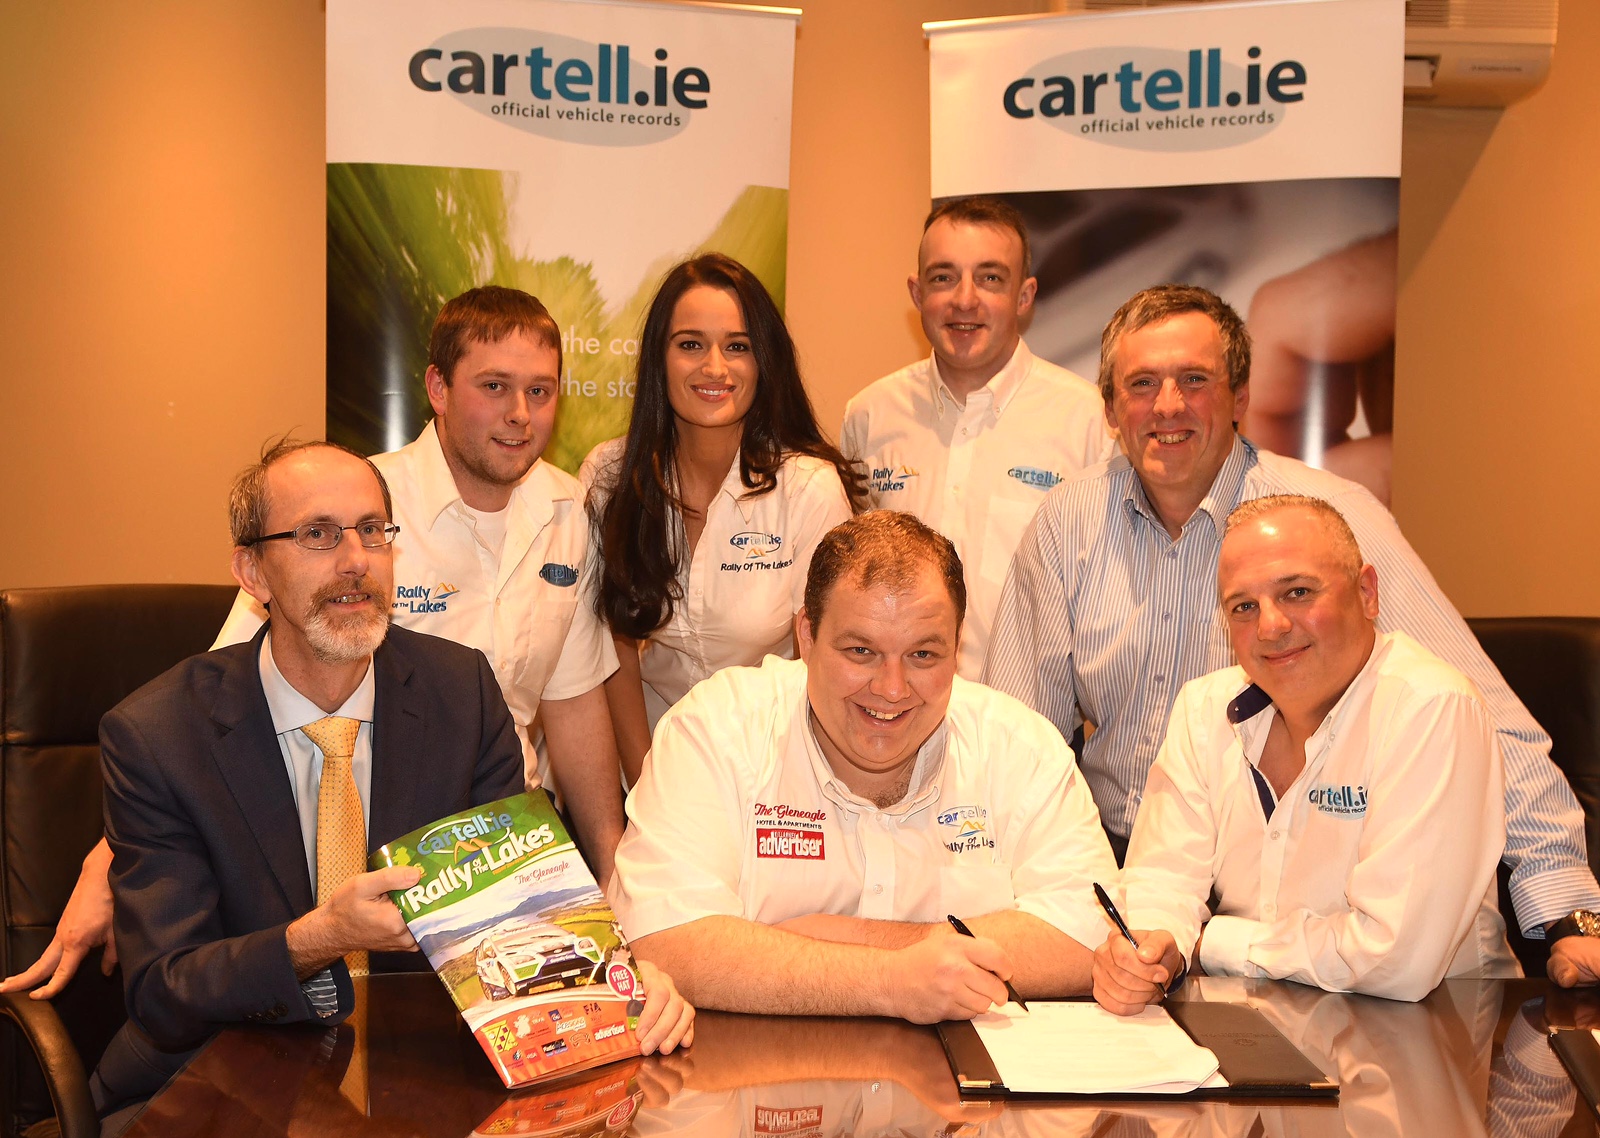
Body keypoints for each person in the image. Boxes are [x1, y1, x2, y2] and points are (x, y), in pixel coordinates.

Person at [3, 286, 629, 1001]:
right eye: (495, 387)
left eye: (540, 391)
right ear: (438, 387)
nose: (521, 414)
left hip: (480, 839)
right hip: (317, 830)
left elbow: (573, 698)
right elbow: (210, 719)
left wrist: (615, 885)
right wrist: (111, 859)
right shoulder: (351, 498)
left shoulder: (567, 514)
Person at [984, 283, 1600, 986]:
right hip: (1138, 887)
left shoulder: (1330, 517)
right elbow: (1020, 746)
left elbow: (1484, 718)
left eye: (1195, 380)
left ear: (1241, 398)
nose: (1168, 406)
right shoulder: (1065, 527)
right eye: (1142, 384)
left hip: (1305, 895)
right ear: (1111, 409)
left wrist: (1568, 911)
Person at [89, 441, 693, 1118]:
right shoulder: (159, 735)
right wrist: (320, 937)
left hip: (423, 1078)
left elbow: (520, 921)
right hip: (214, 1087)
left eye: (373, 531)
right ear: (252, 571)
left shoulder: (461, 695)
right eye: (318, 534)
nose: (355, 561)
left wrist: (623, 986)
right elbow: (164, 992)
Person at [610, 511, 1116, 1022]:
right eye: (861, 651)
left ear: (957, 645)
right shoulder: (716, 731)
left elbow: (1094, 935)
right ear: (805, 636)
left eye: (922, 654)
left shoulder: (1020, 748)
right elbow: (662, 939)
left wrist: (851, 938)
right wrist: (891, 982)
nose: (892, 689)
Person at [1093, 496, 1517, 1012]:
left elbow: (1396, 958)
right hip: (1249, 1026)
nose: (1270, 626)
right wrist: (1157, 946)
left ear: (1366, 593)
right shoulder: (1203, 709)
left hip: (1424, 1039)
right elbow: (1162, 878)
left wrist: (1213, 944)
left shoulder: (1431, 709)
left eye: (1297, 592)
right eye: (1243, 606)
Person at [583, 254, 861, 785]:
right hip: (652, 761)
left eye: (738, 346)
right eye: (691, 344)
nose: (715, 367)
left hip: (777, 772)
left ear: (764, 362)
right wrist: (648, 787)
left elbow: (830, 658)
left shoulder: (808, 488)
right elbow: (611, 644)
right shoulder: (608, 475)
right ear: (658, 359)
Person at [840, 196, 1110, 679]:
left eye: (990, 278)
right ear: (917, 292)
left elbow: (1104, 595)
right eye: (944, 277)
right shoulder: (869, 415)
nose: (965, 300)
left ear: (1024, 296)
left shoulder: (1086, 418)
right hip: (895, 719)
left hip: (1032, 728)